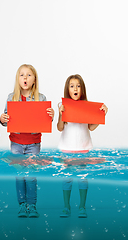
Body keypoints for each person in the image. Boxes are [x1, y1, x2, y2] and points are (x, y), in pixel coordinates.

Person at [0, 64, 54, 218]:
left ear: (34, 80)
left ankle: (32, 205)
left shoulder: (41, 98)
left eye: (29, 75)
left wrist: (51, 115)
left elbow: (46, 120)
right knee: (19, 175)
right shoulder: (11, 98)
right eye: (22, 75)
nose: (25, 78)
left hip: (33, 143)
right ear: (18, 79)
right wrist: (2, 119)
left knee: (31, 176)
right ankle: (22, 205)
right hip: (16, 143)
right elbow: (5, 119)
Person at [57, 74, 108, 218]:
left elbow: (91, 127)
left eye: (78, 86)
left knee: (82, 178)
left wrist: (102, 115)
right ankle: (66, 207)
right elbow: (60, 128)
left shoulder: (87, 107)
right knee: (67, 178)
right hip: (66, 148)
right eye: (72, 86)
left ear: (82, 89)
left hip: (83, 148)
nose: (75, 89)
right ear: (68, 89)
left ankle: (82, 207)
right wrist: (61, 114)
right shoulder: (64, 106)